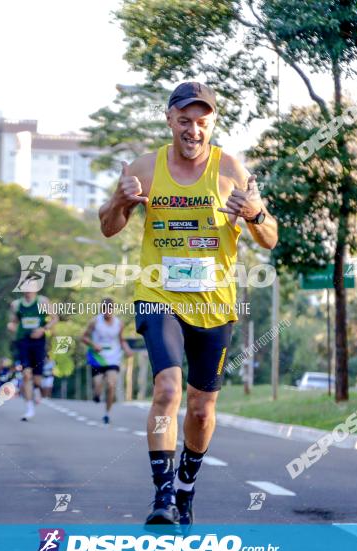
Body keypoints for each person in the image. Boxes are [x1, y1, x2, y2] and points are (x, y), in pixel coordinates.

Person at [98, 82, 278, 527]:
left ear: (212, 122)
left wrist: (254, 214)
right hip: (159, 296)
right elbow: (108, 226)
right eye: (184, 121)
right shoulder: (145, 167)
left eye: (201, 121)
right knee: (167, 390)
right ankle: (161, 495)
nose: (192, 130)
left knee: (200, 408)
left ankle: (186, 486)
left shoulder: (231, 169)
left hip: (214, 306)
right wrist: (119, 202)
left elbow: (270, 238)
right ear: (169, 119)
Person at [81, 298, 132, 424]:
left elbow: (121, 340)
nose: (107, 312)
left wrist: (127, 349)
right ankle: (97, 395)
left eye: (109, 309)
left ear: (113, 309)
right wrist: (93, 345)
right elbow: (83, 337)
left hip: (113, 357)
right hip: (98, 357)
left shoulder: (118, 324)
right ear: (101, 309)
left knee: (111, 383)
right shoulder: (94, 322)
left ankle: (107, 413)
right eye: (104, 309)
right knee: (98, 385)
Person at [7, 291, 56, 421]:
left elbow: (54, 318)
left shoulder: (42, 302)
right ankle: (29, 408)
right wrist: (11, 326)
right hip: (23, 341)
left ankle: (36, 390)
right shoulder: (16, 304)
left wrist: (43, 329)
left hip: (38, 342)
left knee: (37, 379)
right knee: (26, 374)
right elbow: (14, 321)